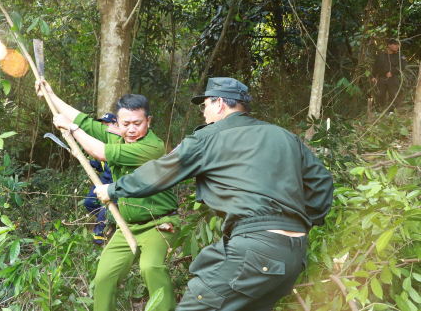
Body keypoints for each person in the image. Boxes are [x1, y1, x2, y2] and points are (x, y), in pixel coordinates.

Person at [95, 77, 335, 310]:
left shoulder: (208, 137)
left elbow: (160, 172)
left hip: (253, 249)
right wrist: (299, 223)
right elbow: (322, 182)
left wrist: (113, 189)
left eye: (205, 104)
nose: (203, 112)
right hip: (293, 254)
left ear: (219, 103)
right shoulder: (285, 136)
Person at [35, 79, 179, 311]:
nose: (131, 129)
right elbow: (83, 120)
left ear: (149, 122)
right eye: (125, 124)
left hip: (158, 223)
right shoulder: (117, 133)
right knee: (103, 279)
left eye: (138, 123)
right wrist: (51, 95)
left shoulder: (152, 147)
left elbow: (98, 151)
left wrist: (72, 129)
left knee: (150, 268)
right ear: (118, 122)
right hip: (127, 226)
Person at [84, 113, 117, 245]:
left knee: (106, 207)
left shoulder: (119, 141)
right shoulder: (103, 142)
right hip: (105, 179)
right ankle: (111, 220)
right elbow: (102, 165)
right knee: (89, 202)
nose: (105, 127)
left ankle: (98, 237)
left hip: (115, 181)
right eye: (103, 125)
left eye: (107, 124)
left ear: (115, 124)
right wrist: (88, 162)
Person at [371, 38, 407, 113]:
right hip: (382, 78)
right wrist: (373, 76)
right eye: (395, 44)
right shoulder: (381, 55)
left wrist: (392, 72)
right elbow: (375, 67)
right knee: (380, 94)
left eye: (398, 44)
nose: (397, 46)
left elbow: (402, 66)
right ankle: (378, 111)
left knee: (393, 95)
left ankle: (392, 112)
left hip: (393, 78)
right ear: (389, 45)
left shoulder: (400, 55)